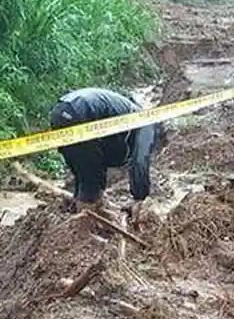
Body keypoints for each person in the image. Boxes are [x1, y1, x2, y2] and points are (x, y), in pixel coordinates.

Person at [49, 87, 161, 223]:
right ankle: (84, 226)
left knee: (83, 170)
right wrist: (140, 198)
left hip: (60, 111)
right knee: (92, 179)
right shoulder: (147, 124)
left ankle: (80, 207)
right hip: (80, 113)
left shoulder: (126, 114)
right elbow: (140, 162)